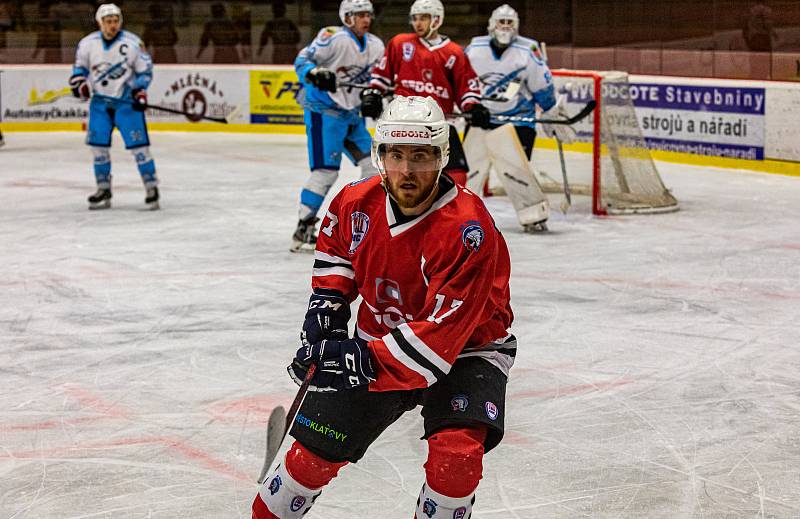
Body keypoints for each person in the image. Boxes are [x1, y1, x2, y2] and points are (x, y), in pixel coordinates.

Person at [252, 95, 515, 519]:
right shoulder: (353, 201)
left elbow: (435, 346)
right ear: (380, 155)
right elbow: (338, 252)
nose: (408, 171)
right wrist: (327, 306)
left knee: (456, 459)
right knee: (308, 458)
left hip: (468, 351)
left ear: (442, 157)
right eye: (396, 155)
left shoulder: (469, 231)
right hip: (377, 343)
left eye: (421, 156)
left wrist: (352, 359)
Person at [364, 0, 492, 187]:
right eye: (415, 18)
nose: (418, 23)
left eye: (423, 18)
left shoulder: (453, 52)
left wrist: (474, 107)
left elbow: (466, 87)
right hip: (403, 120)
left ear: (437, 19)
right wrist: (373, 94)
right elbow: (381, 75)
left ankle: (449, 214)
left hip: (440, 121)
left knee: (457, 176)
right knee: (398, 171)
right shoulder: (400, 43)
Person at [290, 0, 384, 253]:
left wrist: (375, 96)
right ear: (347, 17)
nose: (366, 19)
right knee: (326, 172)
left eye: (367, 14)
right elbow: (302, 60)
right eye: (360, 14)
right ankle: (304, 225)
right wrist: (315, 73)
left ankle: (365, 221)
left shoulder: (376, 44)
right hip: (325, 114)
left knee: (373, 165)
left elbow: (379, 78)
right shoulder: (332, 37)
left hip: (352, 117)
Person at [70, 3, 159, 210]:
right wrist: (79, 83)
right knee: (98, 148)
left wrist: (139, 91)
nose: (113, 25)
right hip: (100, 105)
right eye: (108, 21)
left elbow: (145, 71)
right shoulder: (87, 44)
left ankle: (151, 187)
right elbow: (79, 69)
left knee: (140, 149)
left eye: (116, 20)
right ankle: (103, 189)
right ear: (100, 22)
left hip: (126, 104)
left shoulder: (133, 43)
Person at [465, 4, 574, 162]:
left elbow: (542, 86)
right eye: (501, 21)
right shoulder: (474, 49)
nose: (505, 26)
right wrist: (468, 106)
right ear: (491, 24)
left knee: (518, 181)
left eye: (510, 22)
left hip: (519, 123)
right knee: (469, 178)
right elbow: (463, 83)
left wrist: (550, 110)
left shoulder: (528, 49)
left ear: (516, 25)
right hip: (481, 121)